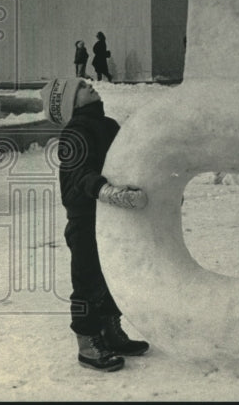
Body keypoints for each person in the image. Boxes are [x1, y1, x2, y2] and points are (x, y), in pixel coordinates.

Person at [41, 77, 149, 372]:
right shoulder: (75, 131)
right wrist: (104, 190)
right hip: (86, 217)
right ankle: (87, 341)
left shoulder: (109, 124)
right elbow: (78, 173)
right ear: (70, 103)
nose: (88, 83)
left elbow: (130, 163)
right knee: (87, 280)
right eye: (80, 87)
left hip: (111, 214)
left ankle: (110, 330)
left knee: (112, 274)